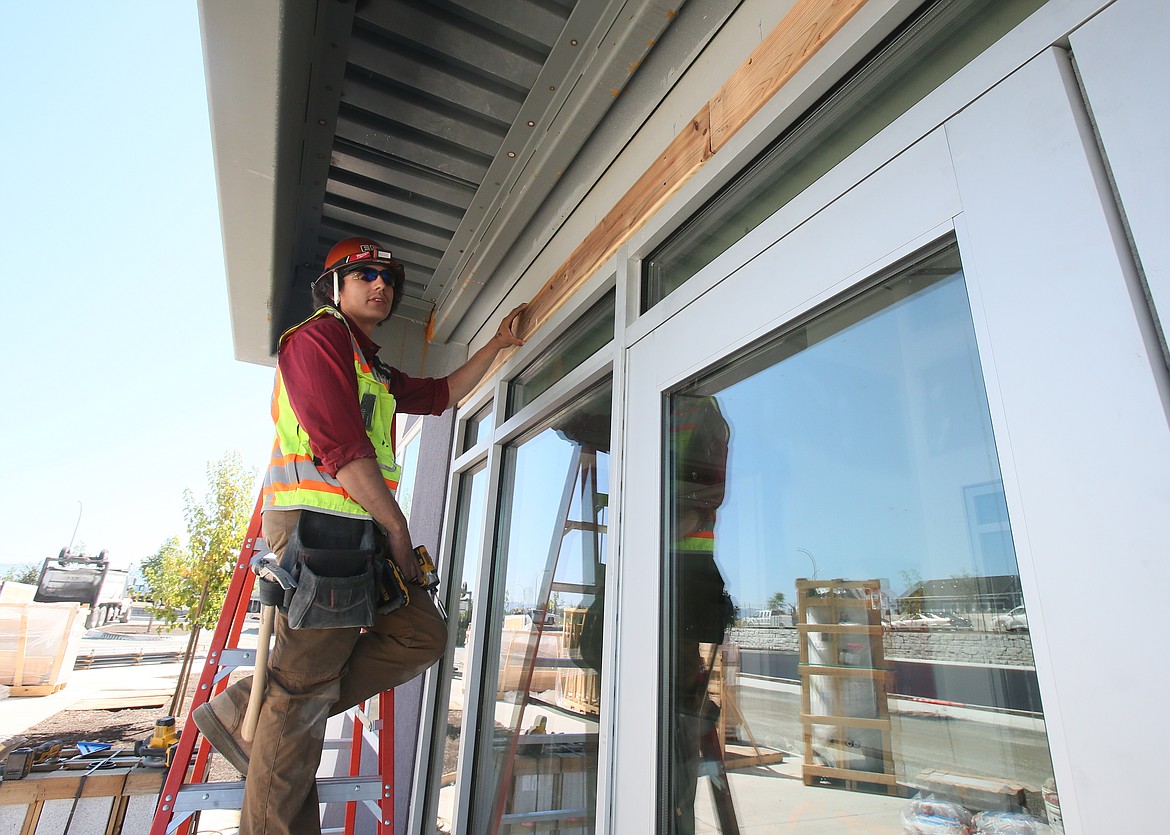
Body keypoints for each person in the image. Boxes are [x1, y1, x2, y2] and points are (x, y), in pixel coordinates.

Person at [193, 236, 525, 835]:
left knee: (419, 635)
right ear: (335, 286)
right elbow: (341, 446)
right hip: (320, 532)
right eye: (367, 273)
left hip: (355, 531)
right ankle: (272, 734)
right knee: (301, 697)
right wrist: (396, 526)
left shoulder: (367, 361)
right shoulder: (315, 340)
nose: (383, 285)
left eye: (390, 279)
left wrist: (500, 344)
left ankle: (251, 707)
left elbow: (439, 394)